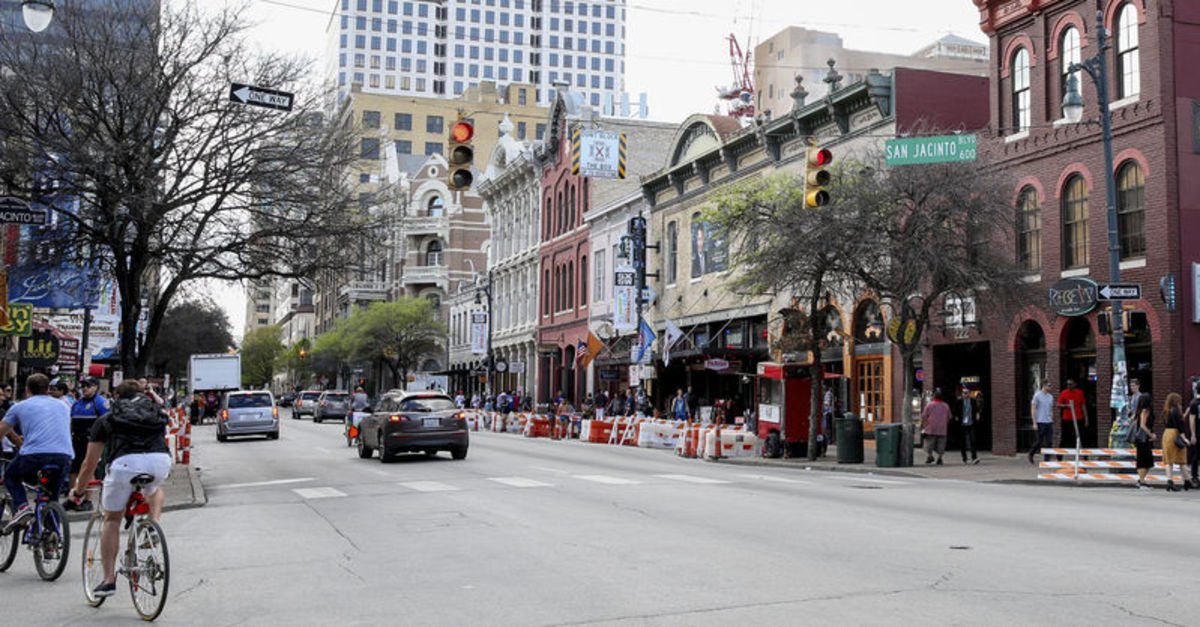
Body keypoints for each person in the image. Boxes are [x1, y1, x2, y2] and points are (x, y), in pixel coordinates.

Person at [69, 380, 171, 598]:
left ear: (116, 397)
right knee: (154, 487)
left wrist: (78, 491)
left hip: (125, 465)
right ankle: (153, 524)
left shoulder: (107, 420)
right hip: (160, 461)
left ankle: (108, 580)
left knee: (112, 519)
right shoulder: (154, 413)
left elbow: (89, 464)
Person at [0, 374, 73, 533]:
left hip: (34, 455)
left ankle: (22, 507)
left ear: (27, 389)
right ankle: (51, 538)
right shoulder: (64, 406)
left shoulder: (19, 406)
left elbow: (2, 431)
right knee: (51, 497)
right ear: (48, 389)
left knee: (11, 476)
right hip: (63, 455)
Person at [66, 377, 110, 511]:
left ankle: (87, 499)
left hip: (93, 441)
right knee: (74, 469)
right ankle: (73, 497)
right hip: (77, 440)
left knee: (89, 468)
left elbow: (108, 422)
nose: (85, 388)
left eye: (88, 386)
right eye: (83, 386)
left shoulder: (100, 403)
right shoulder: (77, 403)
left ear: (96, 387)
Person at [1129, 383, 1155, 489]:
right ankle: (1142, 481)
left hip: (1140, 438)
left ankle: (1141, 480)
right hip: (1143, 438)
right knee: (1145, 460)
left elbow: (1133, 419)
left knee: (1145, 460)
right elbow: (1143, 425)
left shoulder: (1139, 411)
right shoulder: (1145, 410)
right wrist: (1151, 434)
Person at [1055, 379, 1089, 461]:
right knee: (1065, 437)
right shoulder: (1064, 393)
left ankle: (1085, 455)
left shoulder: (1079, 393)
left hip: (1078, 418)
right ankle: (1059, 456)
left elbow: (1083, 405)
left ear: (1074, 384)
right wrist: (1066, 406)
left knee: (1081, 436)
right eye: (1067, 384)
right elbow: (1058, 404)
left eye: (1070, 384)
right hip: (1067, 419)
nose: (1069, 386)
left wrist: (1086, 418)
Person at [1161, 393, 1187, 492]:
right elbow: (1179, 425)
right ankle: (1187, 481)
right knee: (1181, 457)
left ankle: (1169, 482)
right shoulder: (1176, 410)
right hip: (1174, 433)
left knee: (1168, 460)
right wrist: (1184, 437)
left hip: (1166, 434)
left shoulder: (1166, 411)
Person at [921, 390, 951, 465]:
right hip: (942, 428)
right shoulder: (946, 406)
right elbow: (949, 417)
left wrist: (924, 425)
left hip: (931, 428)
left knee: (929, 444)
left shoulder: (929, 405)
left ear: (934, 396)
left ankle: (930, 456)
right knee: (941, 444)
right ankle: (940, 458)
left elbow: (924, 416)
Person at [1028, 381, 1055, 464]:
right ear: (1044, 385)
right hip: (1040, 421)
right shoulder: (1037, 396)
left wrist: (1052, 418)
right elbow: (1033, 409)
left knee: (1049, 441)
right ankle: (1031, 453)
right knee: (1039, 441)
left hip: (1049, 421)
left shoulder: (1050, 397)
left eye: (1051, 386)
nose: (1050, 387)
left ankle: (1047, 459)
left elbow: (1051, 408)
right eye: (1049, 385)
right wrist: (1034, 422)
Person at [958, 387, 981, 464]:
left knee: (973, 440)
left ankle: (974, 457)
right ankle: (964, 458)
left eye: (967, 392)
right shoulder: (959, 402)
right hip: (962, 424)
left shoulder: (973, 401)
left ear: (969, 393)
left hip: (971, 423)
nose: (965, 394)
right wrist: (957, 418)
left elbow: (977, 410)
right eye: (964, 393)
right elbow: (955, 411)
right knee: (963, 441)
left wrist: (977, 415)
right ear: (962, 394)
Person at [1187, 390, 1200, 489]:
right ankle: (1194, 477)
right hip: (1198, 433)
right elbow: (1191, 419)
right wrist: (1193, 434)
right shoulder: (1194, 403)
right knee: (1196, 455)